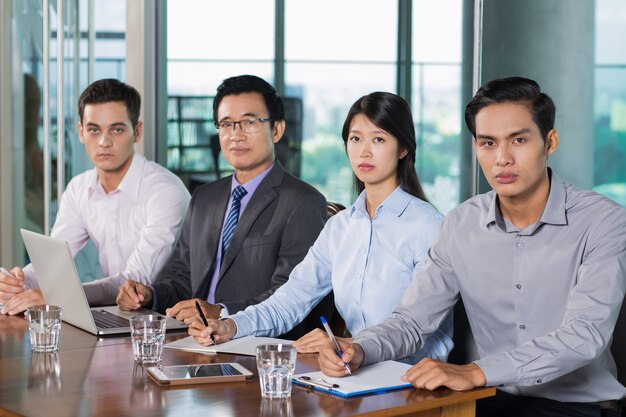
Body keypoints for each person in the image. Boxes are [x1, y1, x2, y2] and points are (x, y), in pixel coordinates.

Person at [319, 77, 626, 417]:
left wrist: (476, 372)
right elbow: (412, 321)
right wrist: (360, 349)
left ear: (549, 141)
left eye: (519, 140)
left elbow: (584, 336)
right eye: (488, 143)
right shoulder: (460, 224)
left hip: (576, 407)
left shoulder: (604, 221)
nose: (502, 158)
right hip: (487, 400)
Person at [190, 92, 453, 363]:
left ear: (403, 149)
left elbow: (414, 326)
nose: (364, 151)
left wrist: (352, 346)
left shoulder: (429, 227)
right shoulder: (339, 228)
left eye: (378, 139)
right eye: (355, 139)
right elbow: (290, 300)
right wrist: (230, 326)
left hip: (417, 380)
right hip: (353, 370)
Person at [116, 75, 329, 339]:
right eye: (226, 124)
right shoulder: (205, 197)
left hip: (255, 348)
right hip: (193, 341)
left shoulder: (303, 202)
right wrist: (148, 295)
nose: (236, 134)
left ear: (277, 129)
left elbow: (291, 296)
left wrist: (220, 312)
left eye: (250, 122)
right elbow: (183, 279)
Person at [0, 79, 191, 314]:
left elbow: (136, 279)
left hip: (169, 319)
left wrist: (59, 297)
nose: (104, 142)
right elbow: (55, 260)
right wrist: (19, 281)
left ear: (137, 131)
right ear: (81, 132)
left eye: (117, 129)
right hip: (117, 315)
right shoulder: (79, 188)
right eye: (94, 129)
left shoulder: (165, 191)